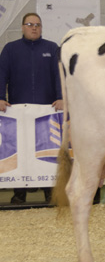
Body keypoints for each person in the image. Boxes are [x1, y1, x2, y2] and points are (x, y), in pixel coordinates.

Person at [0, 13, 63, 204]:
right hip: (18, 112)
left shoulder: (52, 48)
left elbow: (59, 75)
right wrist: (0, 98)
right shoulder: (10, 49)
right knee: (21, 150)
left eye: (37, 25)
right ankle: (19, 193)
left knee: (46, 152)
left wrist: (61, 97)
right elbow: (1, 75)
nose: (34, 28)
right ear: (22, 27)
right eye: (30, 24)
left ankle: (49, 192)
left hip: (46, 113)